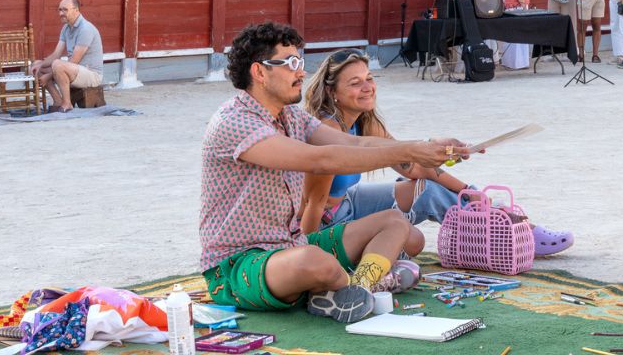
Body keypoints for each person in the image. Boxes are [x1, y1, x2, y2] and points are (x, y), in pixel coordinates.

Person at [199, 22, 470, 324]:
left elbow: (356, 143)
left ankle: (358, 288)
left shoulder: (290, 115)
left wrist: (425, 145)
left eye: (300, 62)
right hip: (238, 264)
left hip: (289, 246)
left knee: (395, 222)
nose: (300, 72)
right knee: (314, 261)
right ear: (259, 72)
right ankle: (353, 283)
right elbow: (320, 160)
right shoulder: (234, 122)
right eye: (290, 64)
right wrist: (411, 151)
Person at [298, 48, 574, 255]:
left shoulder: (364, 122)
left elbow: (413, 165)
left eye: (369, 78)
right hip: (325, 221)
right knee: (413, 240)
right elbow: (311, 205)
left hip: (350, 201)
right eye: (355, 82)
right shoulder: (326, 131)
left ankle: (506, 233)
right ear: (332, 91)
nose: (368, 87)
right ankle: (502, 235)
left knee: (429, 189)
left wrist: (472, 191)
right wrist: (307, 253)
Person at [30, 0, 104, 112]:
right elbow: (56, 54)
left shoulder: (86, 29)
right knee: (38, 64)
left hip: (91, 74)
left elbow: (74, 60)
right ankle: (58, 101)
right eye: (59, 10)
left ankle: (67, 104)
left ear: (76, 10)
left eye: (65, 10)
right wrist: (40, 66)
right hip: (75, 70)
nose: (61, 13)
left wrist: (49, 76)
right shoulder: (66, 28)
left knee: (58, 65)